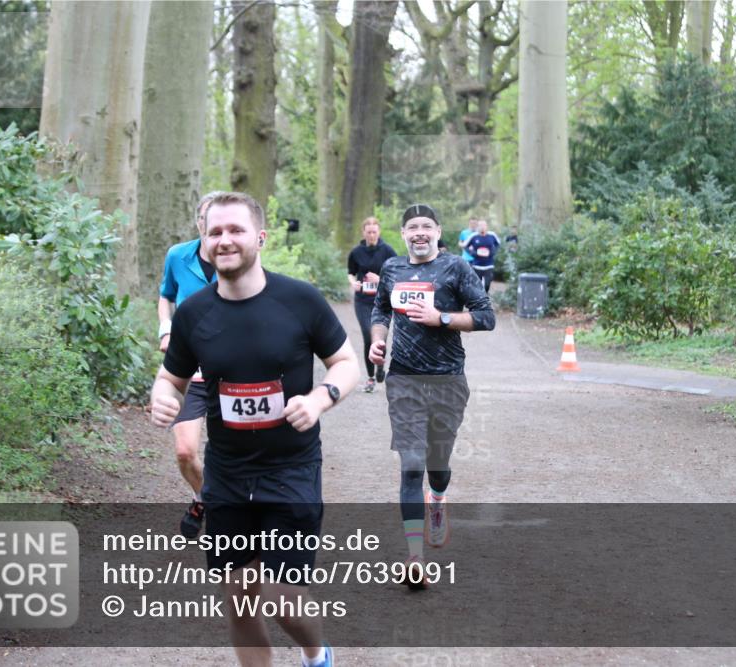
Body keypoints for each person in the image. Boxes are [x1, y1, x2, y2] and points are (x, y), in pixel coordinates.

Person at [150, 192, 359, 667]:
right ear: (204, 242)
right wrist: (164, 396)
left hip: (291, 468)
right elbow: (171, 377)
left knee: (285, 601)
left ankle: (315, 652)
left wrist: (320, 398)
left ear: (259, 238)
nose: (224, 240)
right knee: (241, 593)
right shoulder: (193, 314)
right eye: (215, 232)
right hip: (227, 473)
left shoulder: (299, 300)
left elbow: (346, 363)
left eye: (236, 230)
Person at [368, 203, 495, 590]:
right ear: (403, 234)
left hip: (447, 381)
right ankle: (414, 558)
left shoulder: (456, 268)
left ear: (438, 231)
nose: (419, 232)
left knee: (437, 464)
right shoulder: (392, 269)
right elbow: (379, 310)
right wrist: (378, 341)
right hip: (403, 380)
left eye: (426, 226)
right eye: (412, 227)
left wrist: (441, 318)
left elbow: (486, 316)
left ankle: (437, 499)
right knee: (410, 464)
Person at [157, 191, 223, 538]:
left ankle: (222, 508)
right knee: (185, 451)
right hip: (190, 371)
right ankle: (203, 498)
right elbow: (166, 296)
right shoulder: (178, 256)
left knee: (228, 455)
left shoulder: (238, 258)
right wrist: (166, 330)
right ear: (199, 223)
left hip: (231, 375)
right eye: (205, 220)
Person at [347, 216, 397, 393]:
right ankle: (369, 378)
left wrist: (380, 279)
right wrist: (352, 282)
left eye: (374, 232)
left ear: (379, 232)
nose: (371, 235)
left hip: (382, 300)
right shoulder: (356, 252)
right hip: (362, 301)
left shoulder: (388, 251)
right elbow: (351, 273)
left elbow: (398, 275)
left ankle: (380, 367)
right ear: (363, 233)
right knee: (368, 337)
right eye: (368, 232)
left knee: (380, 339)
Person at [462, 219, 501, 293]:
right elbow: (464, 246)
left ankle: (484, 295)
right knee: (477, 285)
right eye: (480, 225)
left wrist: (493, 252)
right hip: (477, 265)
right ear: (477, 227)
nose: (482, 227)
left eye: (484, 225)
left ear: (487, 226)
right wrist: (473, 253)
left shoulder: (492, 235)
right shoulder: (473, 236)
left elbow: (498, 244)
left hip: (489, 264)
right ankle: (479, 300)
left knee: (487, 284)